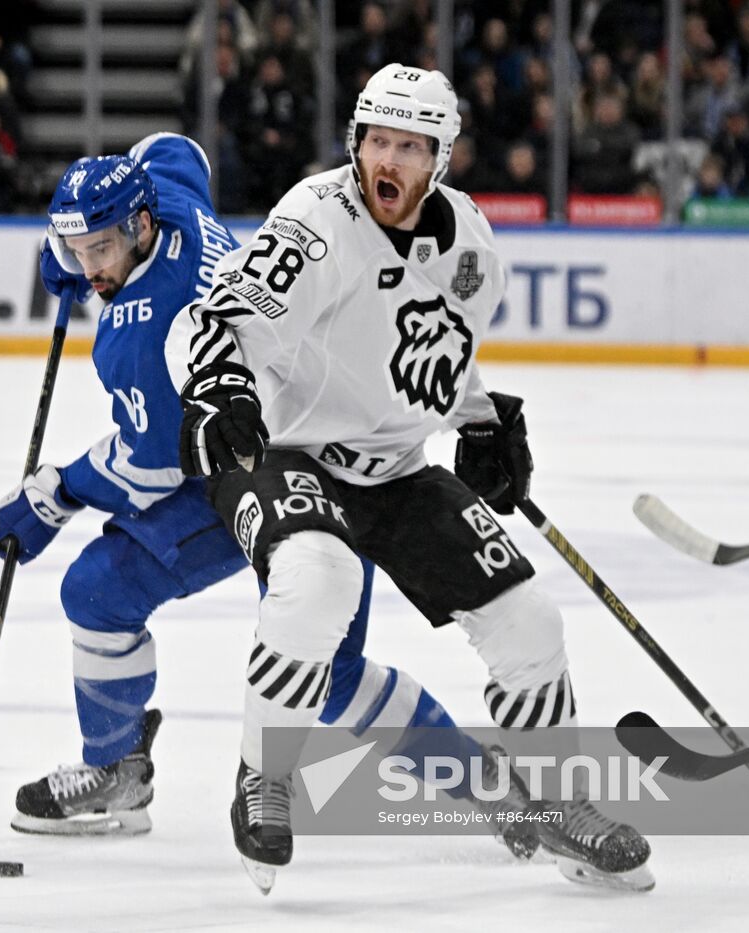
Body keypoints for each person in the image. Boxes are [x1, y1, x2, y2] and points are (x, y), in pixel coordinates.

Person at [165, 64, 655, 893]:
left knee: (529, 621)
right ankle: (264, 772)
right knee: (315, 584)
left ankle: (563, 803)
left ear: (441, 158)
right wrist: (218, 390)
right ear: (355, 143)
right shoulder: (316, 223)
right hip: (288, 452)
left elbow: (429, 351)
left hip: (394, 469)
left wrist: (480, 419)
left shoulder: (470, 243)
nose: (385, 161)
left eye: (408, 146)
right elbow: (220, 321)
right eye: (375, 141)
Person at [0, 134, 531, 868]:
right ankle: (486, 783)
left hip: (250, 461)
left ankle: (117, 773)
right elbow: (175, 148)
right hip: (331, 439)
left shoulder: (148, 339)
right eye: (76, 249)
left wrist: (55, 492)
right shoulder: (171, 198)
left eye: (102, 250)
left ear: (141, 227)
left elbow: (148, 471)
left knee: (98, 590)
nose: (90, 268)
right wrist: (78, 249)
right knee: (333, 672)